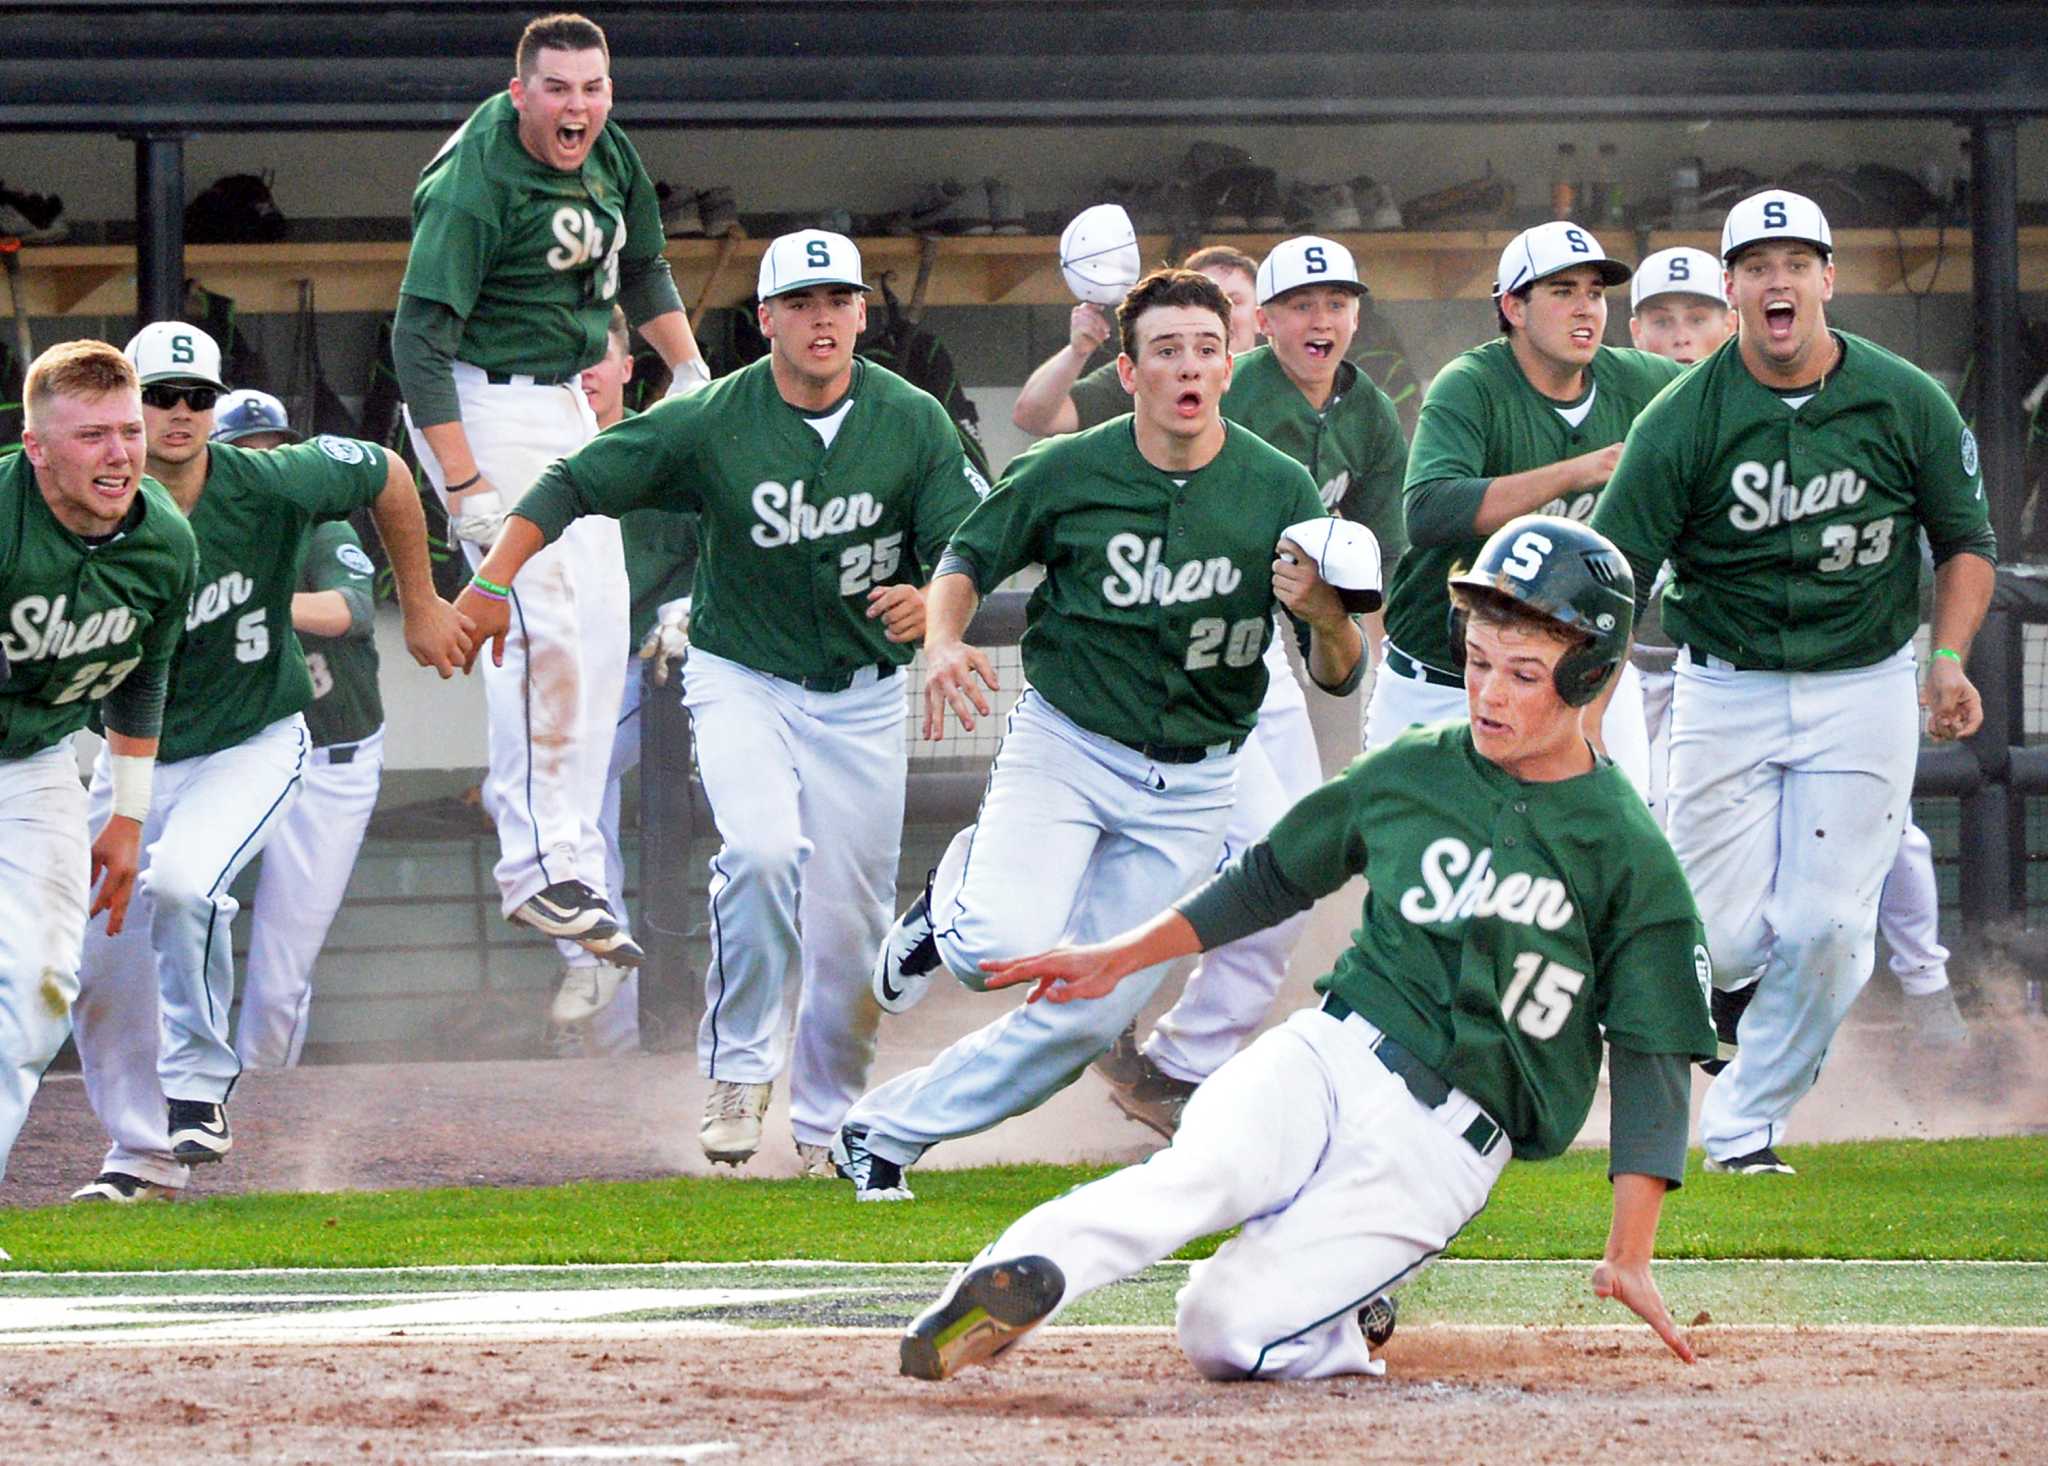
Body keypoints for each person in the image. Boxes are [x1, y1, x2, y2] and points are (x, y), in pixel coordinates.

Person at [897, 516, 1714, 1383]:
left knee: (1220, 1333)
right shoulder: (1418, 768)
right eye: (1477, 663)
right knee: (1201, 1172)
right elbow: (1272, 875)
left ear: (1588, 673)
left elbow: (1654, 1050)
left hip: (1443, 1150)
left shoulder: (1629, 852)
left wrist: (1630, 1251)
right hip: (1326, 1055)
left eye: (1523, 674)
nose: (1489, 695)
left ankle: (1340, 1304)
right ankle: (1007, 1283)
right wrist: (1120, 958)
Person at [453, 230, 987, 1176]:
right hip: (743, 674)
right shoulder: (711, 417)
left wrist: (935, 609)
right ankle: (738, 1071)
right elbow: (577, 478)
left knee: (854, 923)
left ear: (863, 314)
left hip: (863, 694)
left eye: (839, 302)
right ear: (767, 319)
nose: (823, 319)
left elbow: (967, 542)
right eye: (802, 303)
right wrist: (494, 582)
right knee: (762, 853)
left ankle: (830, 1124)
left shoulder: (913, 420)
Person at [840, 266, 1366, 1200]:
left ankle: (882, 1132)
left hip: (1198, 781)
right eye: (1166, 350)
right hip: (1070, 749)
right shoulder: (1067, 469)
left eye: (1207, 348)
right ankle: (945, 905)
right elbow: (967, 555)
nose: (1188, 367)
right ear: (1128, 373)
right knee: (990, 949)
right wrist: (947, 641)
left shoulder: (1278, 485)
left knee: (1083, 1012)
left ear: (1232, 365)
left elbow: (1341, 668)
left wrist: (1327, 616)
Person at [1591, 189, 1996, 1175]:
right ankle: (1752, 1021)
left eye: (1795, 260)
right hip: (1723, 685)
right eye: (1755, 264)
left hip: (1862, 683)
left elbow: (1965, 543)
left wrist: (1944, 656)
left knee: (1827, 925)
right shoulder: (1679, 416)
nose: (1776, 279)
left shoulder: (1904, 399)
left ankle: (1741, 1126)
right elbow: (1614, 563)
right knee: (1709, 941)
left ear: (1827, 276)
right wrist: (1583, 699)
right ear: (1730, 288)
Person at [69, 323, 468, 1203]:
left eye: (195, 398)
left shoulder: (269, 479)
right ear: (127, 407)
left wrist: (424, 597)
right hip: (135, 753)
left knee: (182, 886)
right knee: (101, 970)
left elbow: (389, 473)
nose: (177, 413)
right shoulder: (85, 503)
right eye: (159, 397)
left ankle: (201, 1088)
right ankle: (140, 1158)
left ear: (214, 408)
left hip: (251, 739)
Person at [393, 11, 711, 989]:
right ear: (520, 90)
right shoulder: (476, 179)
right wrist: (464, 483)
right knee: (540, 630)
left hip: (567, 396)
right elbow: (415, 340)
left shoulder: (609, 151)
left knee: (602, 624)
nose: (577, 106)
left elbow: (646, 265)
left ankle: (572, 865)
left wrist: (689, 365)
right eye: (559, 89)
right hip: (480, 401)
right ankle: (535, 864)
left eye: (593, 87)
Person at [1624, 255, 1968, 1049]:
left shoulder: (1838, 397)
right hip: (1672, 667)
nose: (1682, 335)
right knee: (1670, 848)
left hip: (1815, 667)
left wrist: (1936, 651)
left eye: (1696, 317)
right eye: (1663, 320)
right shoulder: (1644, 406)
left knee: (1892, 834)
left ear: (1727, 313)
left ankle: (1924, 983)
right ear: (1635, 329)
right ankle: (1695, 1001)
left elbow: (1945, 541)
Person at [1105, 235, 1408, 1134]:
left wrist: (1366, 672)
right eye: (1302, 304)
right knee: (1205, 866)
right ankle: (1104, 1017)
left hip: (1262, 661)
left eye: (1338, 301)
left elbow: (1373, 573)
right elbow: (1080, 432)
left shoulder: (1371, 413)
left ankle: (1175, 1067)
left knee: (1290, 868)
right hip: (1165, 660)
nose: (1323, 319)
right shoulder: (1219, 391)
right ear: (1257, 323)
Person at [1369, 222, 1682, 800]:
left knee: (1612, 859)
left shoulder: (1640, 382)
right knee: (1422, 875)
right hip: (1447, 679)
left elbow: (1723, 395)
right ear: (1513, 306)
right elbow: (1429, 510)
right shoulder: (1470, 385)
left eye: (1594, 292)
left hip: (1576, 678)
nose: (1585, 308)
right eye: (1562, 292)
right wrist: (1576, 471)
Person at [0, 340, 199, 1191]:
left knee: (41, 980)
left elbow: (141, 673)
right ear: (36, 447)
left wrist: (127, 815)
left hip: (35, 761)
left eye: (128, 430)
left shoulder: (165, 540)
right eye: (90, 437)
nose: (119, 455)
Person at [213, 391, 388, 1070]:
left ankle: (265, 1112)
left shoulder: (320, 527)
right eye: (243, 455)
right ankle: (185, 1089)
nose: (261, 467)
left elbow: (353, 609)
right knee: (176, 909)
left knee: (282, 969)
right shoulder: (197, 537)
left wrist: (259, 603)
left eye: (274, 452)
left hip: (331, 763)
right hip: (240, 756)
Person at [577, 307, 700, 1055]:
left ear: (629, 368)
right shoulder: (535, 458)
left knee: (583, 801)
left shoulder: (668, 451)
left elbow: (725, 543)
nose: (585, 371)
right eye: (572, 359)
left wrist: (689, 604)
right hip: (572, 677)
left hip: (657, 673)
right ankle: (612, 1029)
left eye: (601, 356)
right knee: (574, 821)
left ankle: (620, 1029)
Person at [1011, 245, 1260, 436]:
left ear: (1261, 316)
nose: (1221, 311)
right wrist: (1077, 351)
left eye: (1235, 300)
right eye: (1203, 300)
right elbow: (1032, 417)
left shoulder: (1280, 376)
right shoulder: (1145, 372)